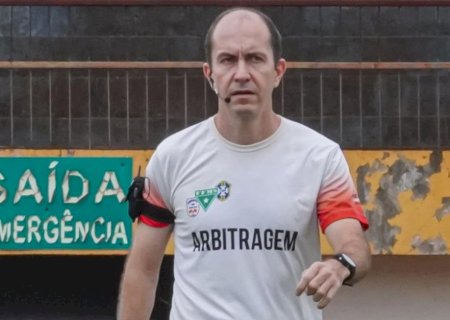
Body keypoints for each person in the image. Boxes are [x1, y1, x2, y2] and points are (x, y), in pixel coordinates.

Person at [117, 7, 371, 320]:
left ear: (278, 71)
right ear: (209, 74)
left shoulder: (319, 156)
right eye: (227, 60)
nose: (241, 74)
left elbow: (354, 246)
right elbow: (142, 271)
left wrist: (340, 265)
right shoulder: (173, 157)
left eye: (254, 58)